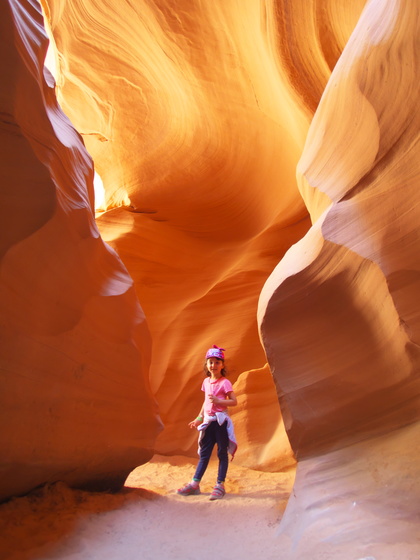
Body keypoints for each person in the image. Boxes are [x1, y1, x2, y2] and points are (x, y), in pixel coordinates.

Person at [177, 345, 237, 501]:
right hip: (208, 423)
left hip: (221, 422)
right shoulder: (206, 382)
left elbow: (234, 401)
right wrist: (198, 418)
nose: (213, 365)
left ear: (222, 365)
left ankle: (220, 485)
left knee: (221, 453)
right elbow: (205, 402)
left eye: (217, 362)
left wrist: (219, 401)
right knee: (204, 454)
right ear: (206, 365)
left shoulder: (225, 383)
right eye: (210, 362)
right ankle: (195, 483)